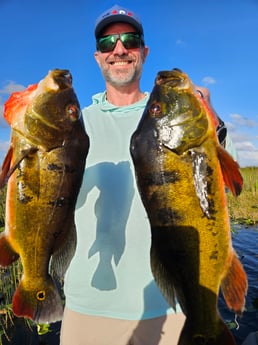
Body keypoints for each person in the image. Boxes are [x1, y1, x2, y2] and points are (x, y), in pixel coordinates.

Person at [60, 5, 235, 345]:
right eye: (109, 42)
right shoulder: (73, 126)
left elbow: (223, 180)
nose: (120, 49)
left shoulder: (175, 111)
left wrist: (214, 122)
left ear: (144, 51)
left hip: (171, 307)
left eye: (131, 39)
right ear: (97, 57)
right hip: (88, 307)